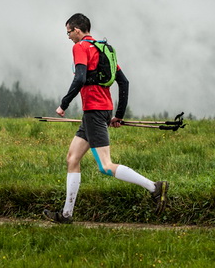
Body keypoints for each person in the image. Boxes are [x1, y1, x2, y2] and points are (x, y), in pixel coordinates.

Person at [43, 13, 168, 224]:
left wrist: (63, 104)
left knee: (105, 166)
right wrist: (118, 115)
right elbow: (124, 82)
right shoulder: (105, 49)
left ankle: (154, 187)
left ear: (78, 30)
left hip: (93, 111)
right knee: (72, 159)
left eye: (68, 32)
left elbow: (80, 78)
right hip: (101, 111)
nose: (68, 37)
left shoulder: (80, 47)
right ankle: (66, 215)